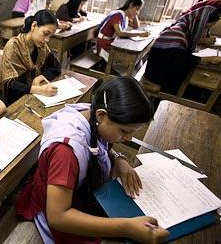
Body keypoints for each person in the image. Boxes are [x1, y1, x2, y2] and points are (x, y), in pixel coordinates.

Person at [15, 77, 170, 243]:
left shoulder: (93, 115)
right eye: (125, 131)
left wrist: (118, 159)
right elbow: (58, 217)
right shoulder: (65, 153)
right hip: (59, 207)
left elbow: (98, 146)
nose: (128, 138)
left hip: (74, 190)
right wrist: (126, 228)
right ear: (101, 115)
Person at [143, 0, 221, 94]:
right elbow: (177, 62)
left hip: (160, 73)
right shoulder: (178, 34)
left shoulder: (184, 28)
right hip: (156, 78)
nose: (205, 31)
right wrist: (207, 59)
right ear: (199, 23)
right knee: (195, 90)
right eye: (205, 27)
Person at [0, 10, 61, 105]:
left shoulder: (41, 46)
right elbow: (10, 86)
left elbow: (56, 66)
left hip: (31, 93)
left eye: (50, 36)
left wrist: (40, 77)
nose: (47, 40)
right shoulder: (13, 46)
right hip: (11, 101)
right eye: (45, 34)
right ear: (34, 26)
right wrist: (39, 90)